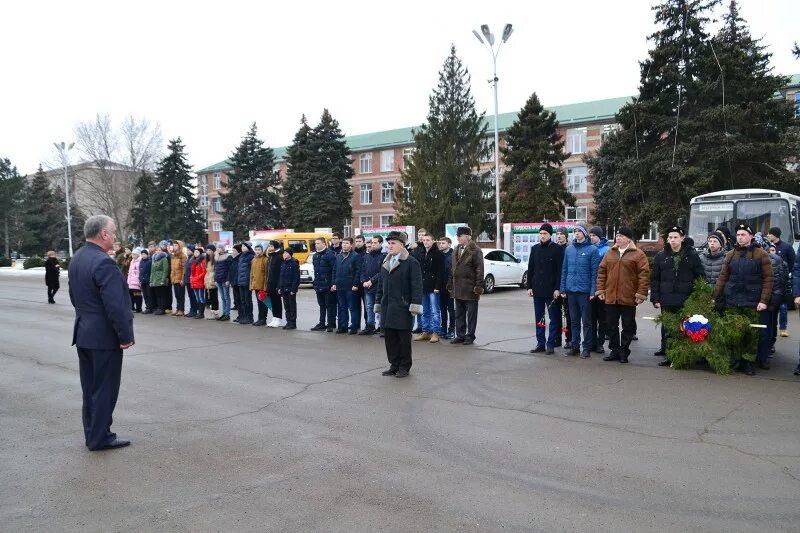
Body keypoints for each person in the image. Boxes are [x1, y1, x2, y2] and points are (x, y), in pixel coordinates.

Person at [68, 214, 134, 451]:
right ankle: (100, 438)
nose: (115, 236)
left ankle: (92, 434)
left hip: (84, 333)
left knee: (90, 389)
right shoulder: (103, 262)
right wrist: (125, 336)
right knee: (104, 389)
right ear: (103, 234)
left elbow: (75, 297)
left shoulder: (77, 258)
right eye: (113, 232)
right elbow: (115, 305)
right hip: (104, 338)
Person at [712, 224, 773, 375]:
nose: (740, 237)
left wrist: (763, 301)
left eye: (743, 234)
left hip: (752, 301)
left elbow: (768, 279)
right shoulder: (731, 254)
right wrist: (715, 297)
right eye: (738, 234)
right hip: (732, 299)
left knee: (751, 333)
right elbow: (723, 277)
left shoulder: (761, 254)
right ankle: (735, 360)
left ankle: (747, 362)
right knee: (733, 332)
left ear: (751, 236)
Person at [650, 226, 705, 366]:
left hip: (686, 299)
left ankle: (685, 355)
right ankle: (670, 355)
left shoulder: (691, 255)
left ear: (682, 238)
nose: (673, 240)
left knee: (685, 327)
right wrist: (655, 298)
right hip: (667, 299)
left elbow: (700, 277)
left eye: (675, 237)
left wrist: (697, 296)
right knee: (668, 328)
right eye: (670, 238)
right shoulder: (661, 256)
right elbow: (655, 279)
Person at [596, 227, 650, 364]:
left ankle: (624, 352)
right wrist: (601, 290)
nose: (618, 238)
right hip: (611, 297)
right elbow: (602, 272)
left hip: (629, 297)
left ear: (628, 238)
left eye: (621, 236)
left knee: (628, 326)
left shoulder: (638, 254)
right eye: (617, 236)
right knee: (610, 325)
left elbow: (643, 276)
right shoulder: (610, 253)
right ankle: (614, 350)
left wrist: (641, 294)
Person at [374, 230, 423, 378]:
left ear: (402, 245)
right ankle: (394, 365)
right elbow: (381, 286)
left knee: (403, 340)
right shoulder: (386, 262)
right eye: (388, 243)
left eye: (393, 243)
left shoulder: (411, 262)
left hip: (403, 307)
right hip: (388, 307)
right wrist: (378, 302)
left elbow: (417, 286)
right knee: (390, 339)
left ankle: (404, 366)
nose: (390, 246)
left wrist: (414, 305)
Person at [560, 224, 600, 358]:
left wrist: (593, 291)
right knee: (574, 321)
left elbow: (595, 272)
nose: (576, 233)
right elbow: (564, 270)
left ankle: (587, 347)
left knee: (587, 322)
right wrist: (563, 288)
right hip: (571, 290)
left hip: (585, 292)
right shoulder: (569, 249)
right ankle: (574, 346)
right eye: (575, 231)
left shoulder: (592, 250)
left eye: (579, 231)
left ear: (584, 233)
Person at [526, 223, 564, 355]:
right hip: (537, 289)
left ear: (550, 235)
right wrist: (529, 286)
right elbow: (531, 269)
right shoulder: (534, 249)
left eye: (545, 234)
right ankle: (540, 343)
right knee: (540, 317)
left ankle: (551, 344)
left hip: (551, 291)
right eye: (541, 233)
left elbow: (559, 271)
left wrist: (557, 288)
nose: (542, 236)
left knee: (554, 318)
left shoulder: (557, 249)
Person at [447, 226, 484, 346]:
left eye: (460, 236)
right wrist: (450, 283)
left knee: (471, 314)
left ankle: (470, 336)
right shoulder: (456, 248)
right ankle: (460, 335)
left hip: (470, 287)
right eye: (457, 236)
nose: (458, 238)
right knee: (459, 313)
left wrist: (478, 286)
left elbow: (480, 269)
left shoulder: (475, 250)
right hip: (458, 287)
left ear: (467, 236)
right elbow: (452, 268)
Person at [415, 233, 445, 343]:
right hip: (423, 286)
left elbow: (440, 272)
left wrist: (437, 286)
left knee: (435, 311)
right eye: (424, 240)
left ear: (433, 241)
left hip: (434, 288)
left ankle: (435, 332)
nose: (425, 242)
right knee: (424, 311)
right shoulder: (421, 253)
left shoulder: (438, 254)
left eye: (428, 240)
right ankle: (426, 332)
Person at [767, 227, 795, 337]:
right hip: (770, 282)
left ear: (775, 235)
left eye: (770, 234)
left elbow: (792, 261)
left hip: (782, 282)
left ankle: (783, 328)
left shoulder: (786, 247)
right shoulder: (766, 246)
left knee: (783, 307)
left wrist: (787, 273)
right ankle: (771, 328)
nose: (768, 235)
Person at [332, 237, 363, 334]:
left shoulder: (356, 256)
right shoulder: (338, 256)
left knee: (352, 307)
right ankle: (343, 326)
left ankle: (354, 327)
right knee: (342, 307)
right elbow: (334, 270)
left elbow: (358, 271)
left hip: (351, 286)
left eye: (346, 243)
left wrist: (355, 284)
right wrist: (334, 283)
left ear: (351, 245)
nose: (344, 245)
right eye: (343, 243)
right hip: (340, 285)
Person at [359, 235, 385, 335]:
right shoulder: (366, 256)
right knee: (369, 307)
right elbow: (362, 270)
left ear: (380, 244)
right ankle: (370, 326)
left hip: (378, 287)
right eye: (372, 243)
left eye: (375, 243)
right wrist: (364, 281)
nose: (373, 245)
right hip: (367, 287)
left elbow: (382, 272)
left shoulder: (383, 256)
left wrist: (371, 281)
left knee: (380, 308)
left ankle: (382, 328)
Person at [589, 226, 610, 354]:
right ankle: (591, 342)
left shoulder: (607, 250)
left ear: (599, 237)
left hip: (602, 289)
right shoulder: (589, 248)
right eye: (590, 235)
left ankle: (600, 343)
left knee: (602, 319)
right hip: (590, 289)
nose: (591, 238)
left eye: (594, 236)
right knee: (591, 318)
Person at [311, 237, 337, 332]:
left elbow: (334, 269)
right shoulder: (315, 256)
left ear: (324, 244)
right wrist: (315, 283)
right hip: (318, 285)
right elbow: (316, 270)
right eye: (315, 243)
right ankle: (321, 323)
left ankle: (330, 324)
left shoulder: (329, 254)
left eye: (318, 243)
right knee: (321, 305)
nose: (316, 245)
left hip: (328, 285)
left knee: (330, 305)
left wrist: (333, 283)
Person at [555, 226, 571, 348]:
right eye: (557, 234)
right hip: (555, 287)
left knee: (568, 314)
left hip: (566, 287)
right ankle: (557, 338)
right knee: (556, 314)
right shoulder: (554, 249)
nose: (559, 236)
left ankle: (569, 339)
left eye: (561, 234)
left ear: (566, 236)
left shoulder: (569, 249)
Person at [438, 236, 456, 339]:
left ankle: (452, 329)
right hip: (440, 287)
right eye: (440, 243)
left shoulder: (453, 255)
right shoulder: (439, 255)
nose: (441, 245)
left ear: (449, 244)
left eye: (443, 243)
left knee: (451, 309)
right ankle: (443, 328)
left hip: (450, 287)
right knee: (442, 309)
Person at [279, 248, 300, 330]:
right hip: (284, 288)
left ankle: (293, 323)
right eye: (284, 253)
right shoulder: (283, 263)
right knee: (286, 307)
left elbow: (296, 278)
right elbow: (281, 277)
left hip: (290, 289)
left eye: (286, 253)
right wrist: (280, 287)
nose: (284, 254)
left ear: (290, 254)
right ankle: (288, 322)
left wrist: (293, 289)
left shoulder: (294, 263)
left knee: (292, 307)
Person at [265, 240, 285, 328]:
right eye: (269, 246)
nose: (269, 247)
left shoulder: (279, 257)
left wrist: (279, 284)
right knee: (272, 301)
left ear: (275, 247)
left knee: (277, 301)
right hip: (270, 282)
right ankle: (274, 317)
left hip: (276, 283)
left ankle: (279, 318)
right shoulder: (270, 257)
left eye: (271, 246)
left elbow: (280, 272)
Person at [149, 241, 171, 315]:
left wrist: (163, 279)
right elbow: (152, 271)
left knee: (162, 295)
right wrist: (151, 280)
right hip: (155, 279)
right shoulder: (154, 259)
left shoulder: (164, 258)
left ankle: (162, 308)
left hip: (161, 279)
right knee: (158, 295)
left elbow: (165, 270)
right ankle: (159, 308)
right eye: (157, 250)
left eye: (159, 250)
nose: (158, 252)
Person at [250, 243, 268, 326]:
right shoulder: (253, 260)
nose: (257, 251)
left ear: (262, 250)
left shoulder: (265, 259)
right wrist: (251, 285)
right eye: (256, 250)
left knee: (263, 303)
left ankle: (263, 319)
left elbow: (266, 274)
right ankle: (259, 318)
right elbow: (252, 274)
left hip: (262, 286)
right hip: (256, 285)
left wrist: (265, 286)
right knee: (259, 303)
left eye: (259, 250)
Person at [236, 242, 255, 325]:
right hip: (240, 281)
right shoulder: (241, 256)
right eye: (242, 246)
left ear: (248, 247)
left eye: (244, 246)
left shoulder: (251, 256)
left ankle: (249, 317)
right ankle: (244, 316)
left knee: (248, 300)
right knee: (243, 300)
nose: (242, 247)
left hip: (247, 281)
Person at [214, 245, 233, 321]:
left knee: (226, 297)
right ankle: (224, 313)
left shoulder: (228, 256)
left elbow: (230, 269)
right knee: (222, 297)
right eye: (217, 248)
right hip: (218, 279)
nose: (217, 249)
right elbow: (216, 269)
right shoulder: (217, 257)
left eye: (219, 248)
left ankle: (227, 314)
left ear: (222, 249)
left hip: (225, 280)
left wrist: (228, 280)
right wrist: (215, 279)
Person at [169, 240, 187, 316]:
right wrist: (171, 277)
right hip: (174, 278)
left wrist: (182, 279)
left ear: (180, 246)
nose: (174, 247)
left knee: (180, 295)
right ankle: (177, 308)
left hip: (180, 279)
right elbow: (172, 268)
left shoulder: (183, 256)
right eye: (173, 245)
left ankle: (181, 309)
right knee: (176, 295)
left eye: (176, 245)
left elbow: (184, 268)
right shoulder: (173, 255)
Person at [189, 246, 207, 319]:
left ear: (200, 253)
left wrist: (196, 278)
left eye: (197, 252)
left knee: (201, 298)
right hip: (194, 282)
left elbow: (204, 272)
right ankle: (199, 312)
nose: (195, 253)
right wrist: (192, 278)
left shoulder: (202, 261)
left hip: (200, 282)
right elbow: (192, 272)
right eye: (195, 252)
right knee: (197, 298)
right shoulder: (193, 261)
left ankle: (201, 313)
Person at [182, 244, 198, 317]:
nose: (187, 251)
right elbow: (185, 270)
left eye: (189, 250)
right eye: (187, 250)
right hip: (188, 280)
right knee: (190, 296)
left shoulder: (193, 259)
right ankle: (192, 310)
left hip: (192, 280)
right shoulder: (188, 258)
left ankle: (194, 310)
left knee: (193, 296)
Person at [204, 244, 219, 320]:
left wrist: (214, 279)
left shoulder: (215, 259)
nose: (208, 252)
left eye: (210, 250)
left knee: (214, 297)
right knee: (209, 296)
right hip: (208, 278)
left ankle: (215, 313)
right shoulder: (207, 259)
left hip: (213, 278)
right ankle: (212, 312)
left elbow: (216, 270)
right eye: (207, 250)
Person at [126, 248, 143, 313]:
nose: (133, 256)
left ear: (138, 255)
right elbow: (130, 272)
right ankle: (132, 307)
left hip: (136, 282)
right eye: (132, 254)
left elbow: (139, 272)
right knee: (131, 296)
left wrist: (139, 281)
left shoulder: (139, 262)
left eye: (134, 254)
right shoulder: (132, 261)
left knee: (137, 296)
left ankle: (139, 308)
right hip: (130, 282)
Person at [138, 249, 153, 313]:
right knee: (145, 295)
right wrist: (140, 279)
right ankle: (147, 307)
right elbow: (140, 271)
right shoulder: (141, 261)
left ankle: (150, 308)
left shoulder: (149, 261)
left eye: (144, 254)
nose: (143, 255)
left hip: (148, 280)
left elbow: (150, 271)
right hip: (142, 280)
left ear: (147, 254)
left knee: (149, 294)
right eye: (142, 254)